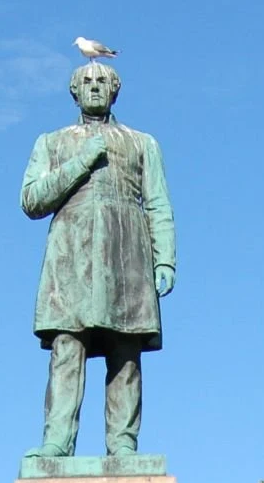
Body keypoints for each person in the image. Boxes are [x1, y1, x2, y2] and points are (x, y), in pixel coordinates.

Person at [20, 61, 174, 458]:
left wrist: (165, 259)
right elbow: (32, 200)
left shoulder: (143, 143)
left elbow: (158, 203)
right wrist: (82, 160)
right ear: (74, 91)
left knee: (126, 350)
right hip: (70, 253)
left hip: (127, 251)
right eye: (86, 81)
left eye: (102, 81)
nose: (94, 86)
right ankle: (57, 441)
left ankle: (123, 443)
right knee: (67, 346)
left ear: (114, 90)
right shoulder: (51, 142)